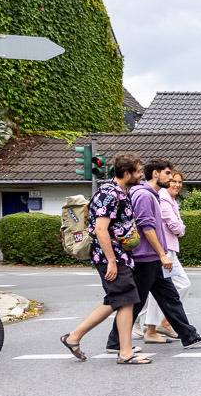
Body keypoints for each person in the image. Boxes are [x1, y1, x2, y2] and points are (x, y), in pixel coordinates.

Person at [107, 160, 201, 352]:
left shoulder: (148, 194)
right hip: (145, 257)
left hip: (150, 258)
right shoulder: (145, 196)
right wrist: (162, 254)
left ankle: (189, 336)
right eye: (167, 173)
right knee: (136, 301)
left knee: (169, 297)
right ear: (155, 174)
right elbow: (147, 228)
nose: (171, 177)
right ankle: (115, 342)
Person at [60, 155, 148, 364]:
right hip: (111, 256)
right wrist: (111, 261)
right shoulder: (109, 194)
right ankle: (125, 352)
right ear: (126, 173)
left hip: (120, 256)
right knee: (126, 300)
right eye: (138, 171)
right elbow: (100, 229)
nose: (141, 174)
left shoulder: (121, 192)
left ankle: (74, 337)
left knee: (115, 301)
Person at [142, 170, 191, 340]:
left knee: (161, 289)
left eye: (179, 182)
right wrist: (181, 228)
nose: (177, 185)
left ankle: (154, 327)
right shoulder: (163, 198)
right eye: (173, 181)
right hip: (166, 250)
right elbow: (175, 226)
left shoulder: (169, 199)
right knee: (180, 284)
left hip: (168, 249)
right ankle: (160, 324)